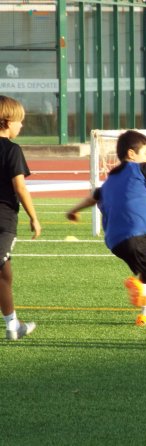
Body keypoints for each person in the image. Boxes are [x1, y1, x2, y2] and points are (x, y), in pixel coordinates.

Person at [66, 130, 146, 327]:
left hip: (116, 242)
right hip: (138, 237)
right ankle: (144, 291)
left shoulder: (110, 180)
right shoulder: (142, 168)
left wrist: (73, 211)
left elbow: (93, 197)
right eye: (145, 153)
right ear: (131, 154)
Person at [0, 95, 41, 340]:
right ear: (6, 122)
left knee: (5, 274)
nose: (21, 126)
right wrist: (34, 217)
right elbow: (20, 187)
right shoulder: (12, 150)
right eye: (19, 121)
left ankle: (13, 324)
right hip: (3, 221)